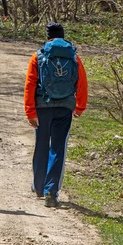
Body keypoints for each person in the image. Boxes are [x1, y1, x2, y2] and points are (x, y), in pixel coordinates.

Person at [23, 22, 88, 207]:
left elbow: (30, 84)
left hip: (42, 107)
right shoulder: (74, 56)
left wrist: (30, 111)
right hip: (65, 108)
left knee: (41, 144)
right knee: (58, 147)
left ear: (48, 37)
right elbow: (82, 82)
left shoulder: (39, 55)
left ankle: (38, 186)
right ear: (63, 35)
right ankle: (51, 192)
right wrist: (79, 106)